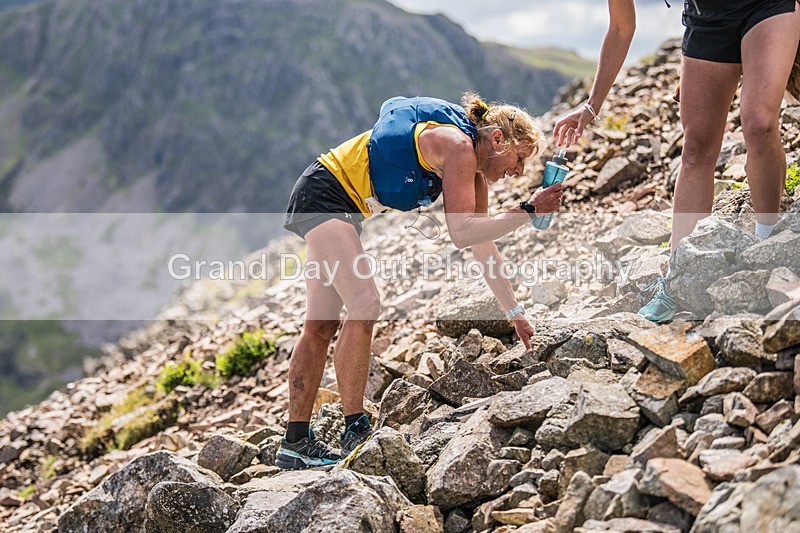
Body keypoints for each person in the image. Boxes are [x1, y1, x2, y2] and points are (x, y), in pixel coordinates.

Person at [275, 93, 564, 469]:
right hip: (326, 195)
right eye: (520, 157)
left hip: (329, 196)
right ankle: (355, 429)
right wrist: (528, 210)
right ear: (497, 140)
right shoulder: (459, 147)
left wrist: (515, 311)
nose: (520, 171)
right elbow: (461, 233)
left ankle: (295, 442)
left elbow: (481, 245)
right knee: (365, 304)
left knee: (322, 324)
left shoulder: (472, 170)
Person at [553, 0, 800, 323]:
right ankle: (677, 277)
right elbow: (620, 28)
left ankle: (766, 249)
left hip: (768, 6)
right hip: (707, 20)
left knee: (758, 124)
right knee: (696, 148)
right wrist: (590, 106)